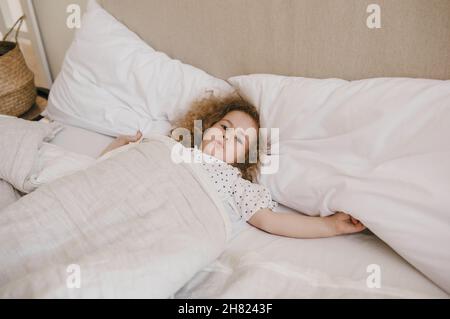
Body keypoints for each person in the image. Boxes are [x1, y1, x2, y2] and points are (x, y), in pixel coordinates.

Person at [101, 94, 366, 239]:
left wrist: (331, 226)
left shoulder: (233, 182)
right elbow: (113, 169)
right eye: (224, 128)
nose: (226, 136)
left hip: (170, 225)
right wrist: (120, 145)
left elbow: (272, 221)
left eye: (238, 139)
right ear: (207, 128)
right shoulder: (173, 147)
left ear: (242, 158)